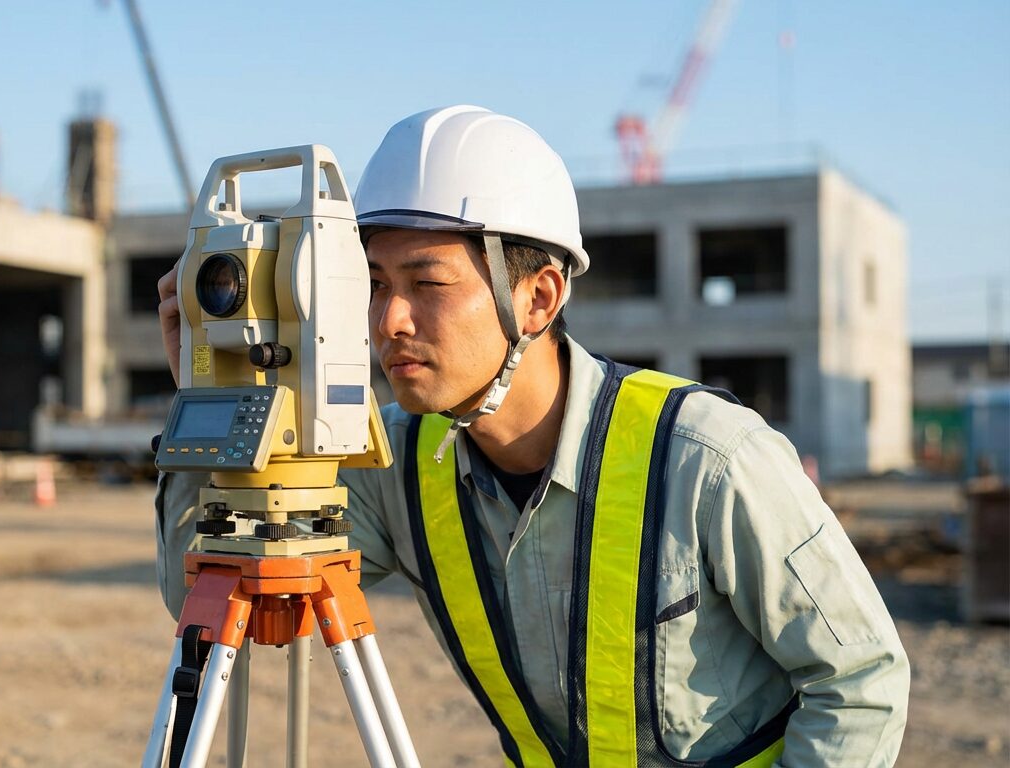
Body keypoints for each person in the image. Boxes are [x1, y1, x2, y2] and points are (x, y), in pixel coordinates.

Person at [154, 105, 909, 766]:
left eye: (427, 283)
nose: (388, 321)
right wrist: (211, 393)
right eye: (375, 284)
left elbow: (860, 679)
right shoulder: (388, 461)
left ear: (539, 296)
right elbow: (198, 592)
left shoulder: (707, 458)